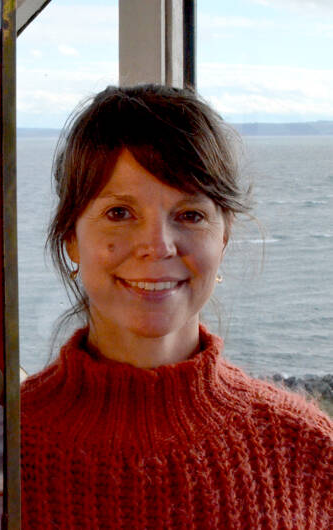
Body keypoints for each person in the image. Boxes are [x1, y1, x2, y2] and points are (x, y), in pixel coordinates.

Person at [21, 85, 333, 529]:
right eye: (120, 213)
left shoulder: (305, 449)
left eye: (190, 215)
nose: (157, 246)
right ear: (72, 236)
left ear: (223, 237)